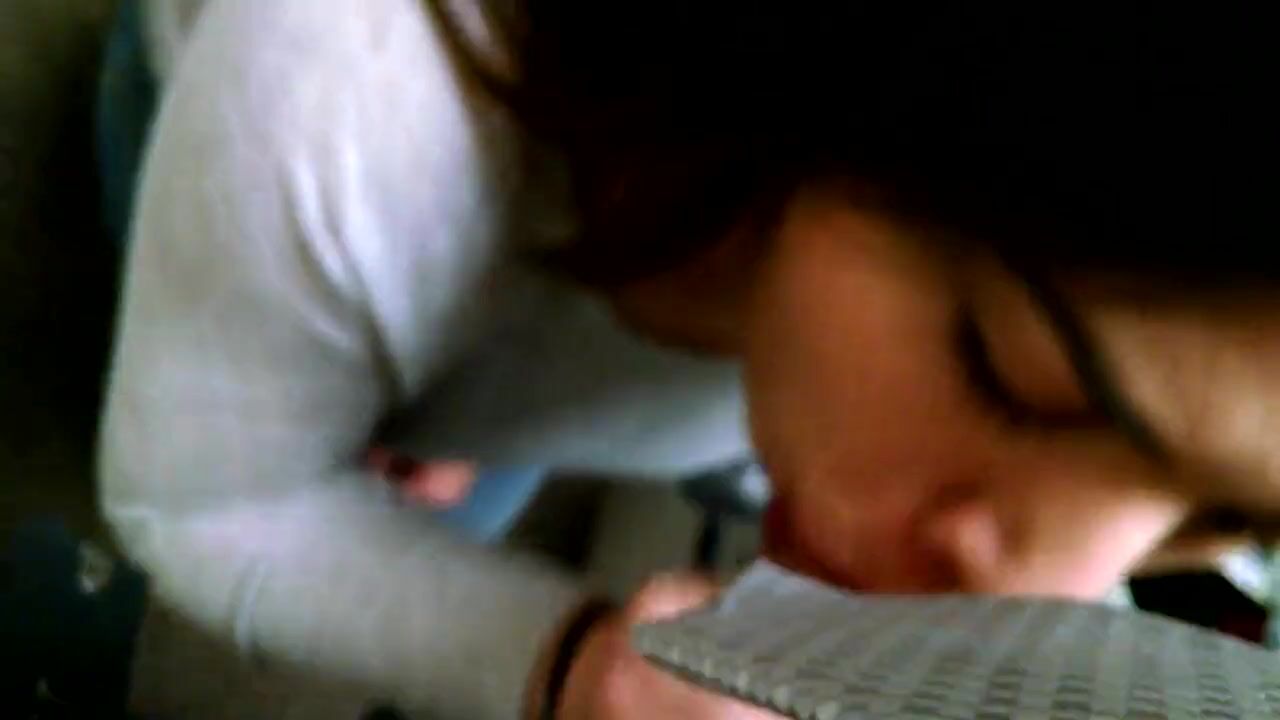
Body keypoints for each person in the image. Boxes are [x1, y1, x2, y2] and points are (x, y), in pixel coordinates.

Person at [29, 0, 1277, 718]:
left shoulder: (841, 312)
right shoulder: (343, 101)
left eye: (1222, 520)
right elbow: (197, 502)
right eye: (1006, 371)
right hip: (216, 136)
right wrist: (562, 658)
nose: (1047, 589)